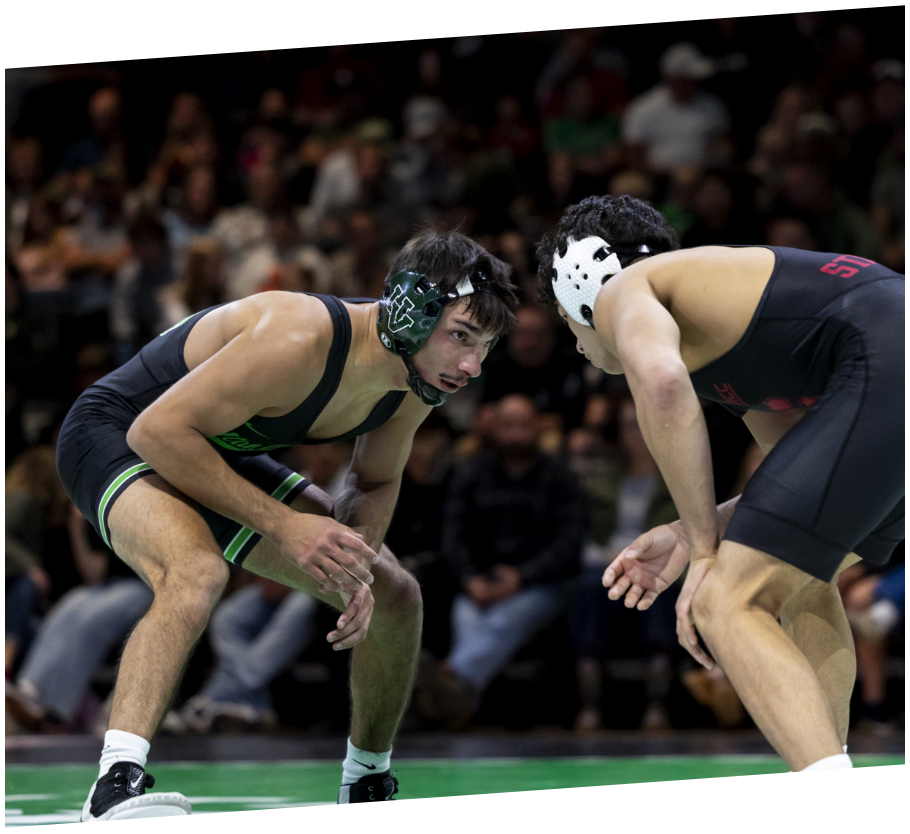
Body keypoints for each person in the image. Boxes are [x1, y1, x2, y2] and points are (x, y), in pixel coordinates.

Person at [55, 229, 518, 819]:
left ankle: (366, 780)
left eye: (485, 346)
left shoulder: (416, 384)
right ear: (411, 308)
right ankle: (113, 788)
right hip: (119, 433)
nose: (471, 366)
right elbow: (155, 432)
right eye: (461, 337)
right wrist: (283, 525)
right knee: (195, 572)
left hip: (212, 445)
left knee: (396, 594)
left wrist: (355, 571)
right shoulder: (297, 338)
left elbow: (375, 481)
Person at [536, 194, 903, 774]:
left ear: (575, 285)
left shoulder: (622, 292)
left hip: (884, 357)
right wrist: (689, 533)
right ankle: (833, 756)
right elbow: (799, 496)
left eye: (567, 324)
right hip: (884, 364)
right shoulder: (727, 332)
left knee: (724, 600)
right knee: (803, 574)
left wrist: (705, 555)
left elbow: (659, 386)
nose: (579, 344)